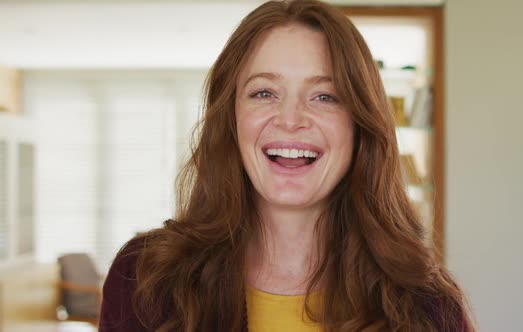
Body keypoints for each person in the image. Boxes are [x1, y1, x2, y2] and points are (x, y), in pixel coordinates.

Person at [99, 0, 475, 331]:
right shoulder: (144, 278)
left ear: (359, 124)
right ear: (230, 118)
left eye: (325, 96)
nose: (291, 119)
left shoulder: (427, 307)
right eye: (264, 92)